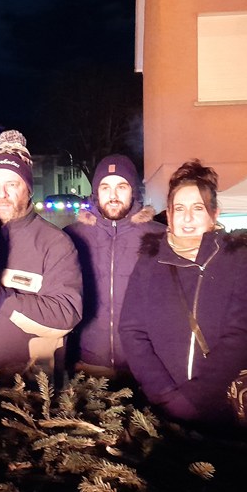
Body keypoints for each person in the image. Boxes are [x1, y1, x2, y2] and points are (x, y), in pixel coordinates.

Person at [120, 159, 247, 428]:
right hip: (161, 404)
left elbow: (241, 334)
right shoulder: (149, 261)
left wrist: (194, 398)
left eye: (198, 208)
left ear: (214, 213)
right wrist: (163, 393)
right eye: (179, 209)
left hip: (222, 403)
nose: (187, 218)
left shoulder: (239, 258)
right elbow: (132, 330)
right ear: (169, 215)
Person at [0, 129, 82, 379]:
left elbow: (66, 316)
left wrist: (2, 300)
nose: (1, 194)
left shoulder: (55, 243)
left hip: (30, 385)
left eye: (11, 184)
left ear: (28, 188)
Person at [64, 154, 164, 379]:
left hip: (144, 369)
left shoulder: (159, 237)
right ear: (96, 193)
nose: (113, 196)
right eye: (105, 187)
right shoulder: (71, 237)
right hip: (87, 365)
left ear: (134, 191)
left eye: (121, 187)